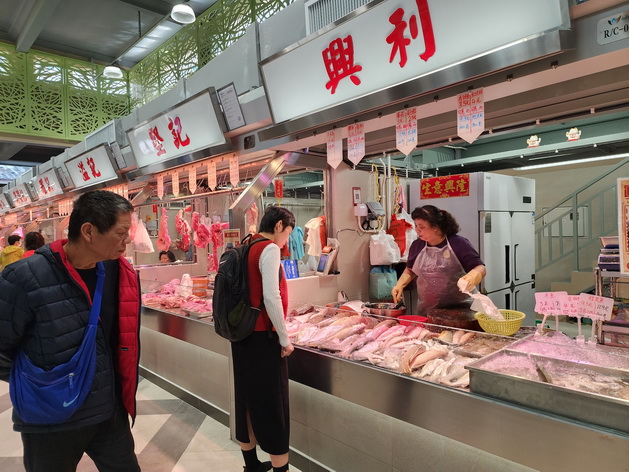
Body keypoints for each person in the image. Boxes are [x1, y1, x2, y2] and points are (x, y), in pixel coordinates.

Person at [0, 190, 141, 472]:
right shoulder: (24, 276)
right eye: (121, 232)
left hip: (107, 410)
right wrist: (43, 383)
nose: (127, 240)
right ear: (88, 231)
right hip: (50, 418)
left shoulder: (117, 271)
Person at [232, 206, 295, 472]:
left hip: (242, 336)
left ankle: (251, 466)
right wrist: (284, 338)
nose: (286, 240)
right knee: (272, 407)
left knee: (246, 400)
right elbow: (271, 297)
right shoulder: (269, 249)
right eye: (288, 233)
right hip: (263, 338)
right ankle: (281, 468)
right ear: (279, 226)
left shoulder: (247, 244)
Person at [391, 205, 486, 325]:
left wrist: (472, 277)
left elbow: (481, 268)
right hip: (428, 311)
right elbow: (410, 269)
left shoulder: (458, 243)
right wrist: (400, 285)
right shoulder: (417, 245)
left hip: (461, 311)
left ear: (435, 227)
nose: (417, 230)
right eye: (416, 226)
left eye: (422, 227)